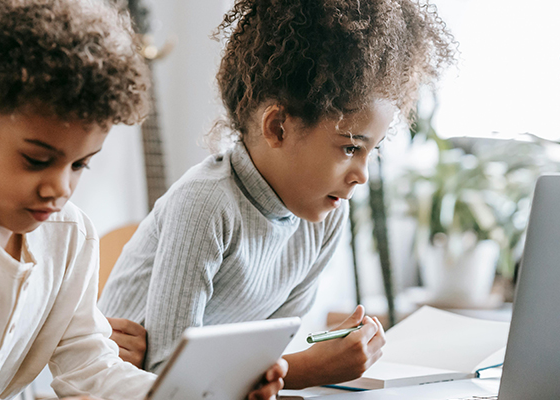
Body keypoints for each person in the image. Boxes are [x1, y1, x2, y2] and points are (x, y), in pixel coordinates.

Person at [0, 1, 286, 399]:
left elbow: (89, 364)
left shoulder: (69, 234)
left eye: (79, 165)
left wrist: (187, 395)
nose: (60, 189)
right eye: (36, 160)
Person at [98, 0, 457, 389]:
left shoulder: (323, 218)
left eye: (375, 149)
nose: (362, 176)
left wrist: (281, 370)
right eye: (351, 148)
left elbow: (261, 362)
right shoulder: (206, 203)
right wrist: (312, 369)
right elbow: (171, 379)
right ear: (278, 127)